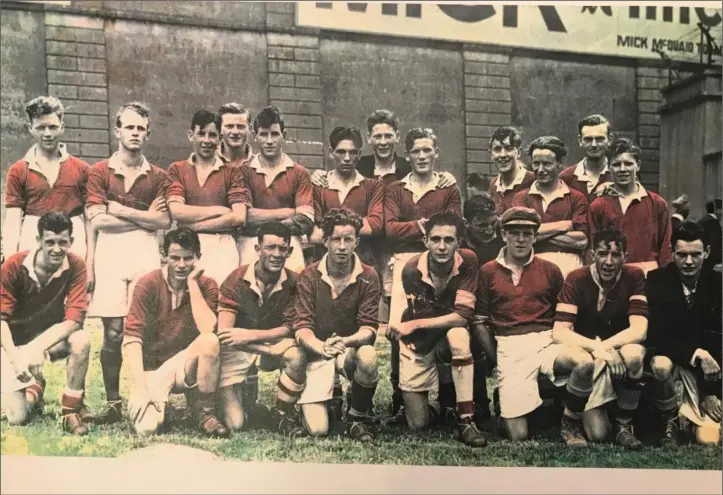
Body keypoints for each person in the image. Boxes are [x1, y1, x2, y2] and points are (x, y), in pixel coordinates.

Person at [474, 207, 597, 447]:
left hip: (546, 340)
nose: (521, 239)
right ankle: (508, 404)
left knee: (584, 363)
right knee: (518, 435)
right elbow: (479, 322)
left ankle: (570, 421)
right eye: (514, 233)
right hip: (509, 345)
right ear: (503, 235)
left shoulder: (550, 269)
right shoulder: (487, 271)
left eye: (527, 233)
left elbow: (563, 316)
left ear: (535, 236)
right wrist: (497, 359)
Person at [85, 101, 172, 424]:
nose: (135, 133)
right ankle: (112, 404)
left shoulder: (159, 176)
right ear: (117, 130)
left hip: (145, 254)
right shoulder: (98, 172)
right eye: (129, 127)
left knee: (144, 330)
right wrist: (145, 217)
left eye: (141, 128)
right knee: (113, 332)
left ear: (148, 134)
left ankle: (146, 399)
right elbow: (97, 221)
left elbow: (163, 221)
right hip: (110, 255)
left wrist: (120, 210)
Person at [388, 212, 488, 447]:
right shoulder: (411, 269)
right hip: (420, 339)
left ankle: (466, 418)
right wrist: (413, 326)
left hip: (440, 329)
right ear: (425, 242)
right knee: (418, 424)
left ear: (459, 243)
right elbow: (425, 329)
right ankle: (440, 405)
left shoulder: (469, 260)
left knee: (457, 335)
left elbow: (463, 316)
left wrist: (413, 324)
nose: (442, 247)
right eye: (435, 239)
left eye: (449, 240)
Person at [384, 127, 462, 420]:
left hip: (441, 265)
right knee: (399, 329)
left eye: (427, 150)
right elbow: (390, 230)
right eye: (415, 151)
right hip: (405, 264)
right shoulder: (395, 189)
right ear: (407, 155)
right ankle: (400, 397)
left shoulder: (448, 188)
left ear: (436, 152)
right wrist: (429, 225)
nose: (421, 156)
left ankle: (448, 399)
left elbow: (454, 222)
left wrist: (419, 228)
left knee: (438, 327)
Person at [122, 228, 228, 437]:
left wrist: (192, 284)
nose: (181, 265)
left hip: (185, 363)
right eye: (175, 258)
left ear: (198, 257)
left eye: (188, 258)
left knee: (209, 341)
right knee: (147, 428)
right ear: (164, 256)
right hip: (155, 368)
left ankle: (205, 412)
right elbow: (132, 339)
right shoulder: (147, 284)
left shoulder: (207, 284)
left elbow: (208, 329)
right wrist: (141, 387)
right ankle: (160, 403)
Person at [553, 228, 649, 450]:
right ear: (592, 254)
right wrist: (600, 350)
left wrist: (607, 349)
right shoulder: (576, 278)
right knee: (598, 434)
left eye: (616, 255)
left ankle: (625, 425)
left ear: (625, 257)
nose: (608, 261)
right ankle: (569, 418)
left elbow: (639, 330)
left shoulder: (634, 276)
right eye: (603, 254)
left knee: (634, 354)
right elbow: (560, 332)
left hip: (618, 351)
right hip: (588, 355)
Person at [0, 212, 92, 434]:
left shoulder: (76, 265)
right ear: (38, 241)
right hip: (12, 342)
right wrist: (16, 358)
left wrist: (36, 348)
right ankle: (35, 388)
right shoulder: (14, 264)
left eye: (63, 242)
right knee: (17, 418)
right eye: (50, 242)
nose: (57, 249)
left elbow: (74, 320)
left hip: (48, 339)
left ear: (71, 241)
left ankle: (70, 412)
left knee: (81, 340)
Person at [294, 209, 381, 441]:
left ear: (357, 242)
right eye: (336, 239)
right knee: (319, 430)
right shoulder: (309, 275)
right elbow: (302, 328)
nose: (342, 246)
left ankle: (356, 417)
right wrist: (321, 347)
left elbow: (369, 329)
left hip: (347, 349)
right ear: (325, 241)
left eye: (348, 239)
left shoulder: (369, 275)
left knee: (369, 356)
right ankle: (319, 402)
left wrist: (344, 341)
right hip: (317, 352)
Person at [216, 222, 307, 437]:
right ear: (257, 249)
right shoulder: (235, 279)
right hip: (239, 350)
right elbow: (225, 334)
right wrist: (266, 347)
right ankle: (243, 402)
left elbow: (288, 328)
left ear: (290, 251)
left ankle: (282, 413)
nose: (276, 254)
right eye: (270, 247)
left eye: (282, 249)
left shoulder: (295, 282)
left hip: (256, 342)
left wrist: (249, 336)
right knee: (236, 424)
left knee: (295, 354)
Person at [646, 221, 722, 446]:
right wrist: (696, 352)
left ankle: (692, 419)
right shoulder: (657, 281)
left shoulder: (717, 284)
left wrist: (710, 392)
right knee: (660, 363)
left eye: (696, 254)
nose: (689, 261)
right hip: (675, 368)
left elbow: (717, 340)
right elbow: (657, 337)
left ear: (707, 252)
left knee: (708, 440)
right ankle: (668, 421)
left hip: (709, 375)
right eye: (682, 254)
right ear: (671, 252)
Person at [2, 97, 94, 267]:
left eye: (52, 127)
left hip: (73, 243)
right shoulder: (19, 170)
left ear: (62, 127)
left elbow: (90, 220)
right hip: (33, 241)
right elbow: (13, 222)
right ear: (30, 129)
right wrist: (10, 263)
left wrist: (89, 264)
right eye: (40, 127)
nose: (47, 134)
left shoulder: (82, 169)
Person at [166, 109, 250, 285]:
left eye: (212, 135)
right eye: (201, 134)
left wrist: (195, 226)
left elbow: (239, 216)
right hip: (188, 248)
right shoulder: (177, 169)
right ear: (191, 135)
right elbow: (177, 211)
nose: (206, 140)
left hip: (223, 246)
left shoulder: (232, 172)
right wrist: (220, 210)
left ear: (220, 138)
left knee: (222, 302)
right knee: (189, 302)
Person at [237, 106, 313, 274]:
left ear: (284, 136)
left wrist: (266, 221)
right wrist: (289, 211)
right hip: (252, 243)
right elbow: (245, 218)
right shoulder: (243, 171)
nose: (269, 141)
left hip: (289, 244)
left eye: (274, 134)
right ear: (255, 136)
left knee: (293, 288)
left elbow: (305, 220)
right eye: (263, 134)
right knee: (249, 288)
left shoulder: (299, 173)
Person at [588, 137, 672, 276]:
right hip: (611, 277)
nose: (622, 169)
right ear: (609, 166)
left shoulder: (657, 204)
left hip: (649, 275)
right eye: (616, 164)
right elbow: (592, 248)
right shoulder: (598, 206)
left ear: (638, 165)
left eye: (628, 164)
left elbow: (665, 249)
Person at [512, 136, 588, 279]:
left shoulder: (576, 197)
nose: (540, 169)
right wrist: (565, 225)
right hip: (532, 268)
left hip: (570, 270)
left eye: (547, 164)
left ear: (559, 163)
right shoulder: (522, 197)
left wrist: (537, 231)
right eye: (536, 163)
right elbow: (522, 236)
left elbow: (582, 240)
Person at [309, 126, 384, 267]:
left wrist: (331, 231)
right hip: (324, 262)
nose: (347, 158)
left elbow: (375, 225)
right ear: (331, 153)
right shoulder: (319, 186)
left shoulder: (373, 186)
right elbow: (313, 234)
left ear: (360, 154)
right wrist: (355, 230)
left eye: (353, 152)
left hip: (362, 262)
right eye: (341, 152)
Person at [560, 114, 614, 200]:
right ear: (580, 140)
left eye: (600, 139)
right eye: (588, 139)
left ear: (610, 140)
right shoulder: (566, 178)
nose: (594, 145)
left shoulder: (620, 174)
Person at [486, 126, 534, 215]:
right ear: (491, 154)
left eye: (508, 148)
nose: (503, 155)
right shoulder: (494, 185)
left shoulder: (533, 181)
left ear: (518, 152)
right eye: (497, 149)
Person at [462, 193, 503, 266]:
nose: (489, 231)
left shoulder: (506, 231)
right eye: (482, 226)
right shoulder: (455, 241)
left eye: (493, 223)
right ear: (466, 223)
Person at [217, 102, 255, 168]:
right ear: (219, 129)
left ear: (250, 129)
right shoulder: (209, 162)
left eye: (240, 126)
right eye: (229, 126)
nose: (235, 132)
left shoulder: (258, 164)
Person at [698, 199, 722, 273]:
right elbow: (714, 243)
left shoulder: (702, 221)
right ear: (717, 210)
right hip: (710, 262)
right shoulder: (713, 222)